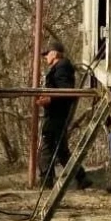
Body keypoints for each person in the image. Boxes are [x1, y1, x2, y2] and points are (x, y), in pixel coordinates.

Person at [35, 40, 92, 191]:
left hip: (56, 115)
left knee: (46, 148)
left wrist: (49, 99)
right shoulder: (61, 67)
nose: (45, 57)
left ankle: (46, 184)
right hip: (57, 114)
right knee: (61, 151)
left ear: (54, 54)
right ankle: (81, 178)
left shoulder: (62, 67)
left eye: (47, 54)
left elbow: (65, 91)